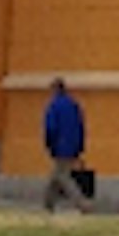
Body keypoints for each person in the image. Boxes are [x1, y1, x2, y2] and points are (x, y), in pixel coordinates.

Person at [41, 77, 91, 213]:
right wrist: (80, 147)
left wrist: (49, 145)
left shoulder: (54, 106)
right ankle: (48, 204)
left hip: (60, 146)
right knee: (56, 175)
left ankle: (82, 203)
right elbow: (81, 127)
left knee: (62, 176)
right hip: (73, 146)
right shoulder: (74, 105)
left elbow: (51, 128)